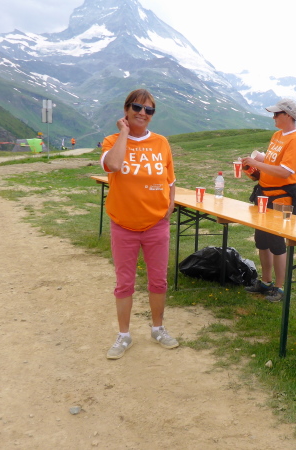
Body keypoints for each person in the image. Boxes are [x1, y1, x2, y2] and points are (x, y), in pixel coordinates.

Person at [101, 88, 178, 360]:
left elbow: (170, 180)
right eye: (137, 107)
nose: (143, 113)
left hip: (156, 225)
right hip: (124, 224)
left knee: (158, 280)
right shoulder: (112, 141)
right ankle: (124, 335)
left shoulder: (161, 142)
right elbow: (113, 165)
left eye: (149, 110)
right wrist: (124, 133)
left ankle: (158, 329)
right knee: (124, 283)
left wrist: (169, 208)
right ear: (126, 110)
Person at [240, 98, 296, 303]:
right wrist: (256, 164)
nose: (273, 117)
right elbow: (272, 162)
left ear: (288, 115)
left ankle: (279, 287)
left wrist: (257, 162)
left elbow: (285, 171)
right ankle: (266, 282)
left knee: (277, 242)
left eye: (277, 114)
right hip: (263, 194)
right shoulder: (277, 135)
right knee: (262, 240)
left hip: (281, 197)